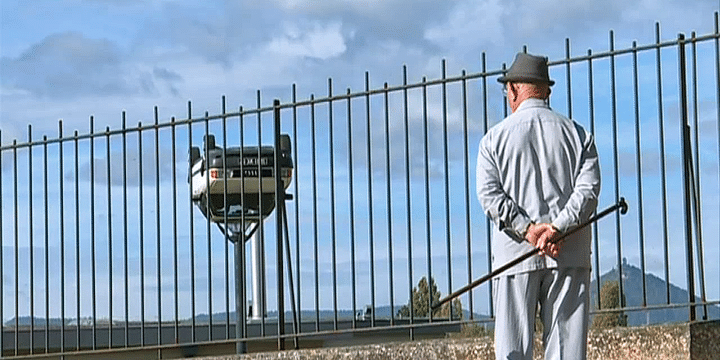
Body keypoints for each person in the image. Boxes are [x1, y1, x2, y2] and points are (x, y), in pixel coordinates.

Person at [476, 52, 601, 360]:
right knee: (567, 351)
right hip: (569, 253)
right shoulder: (579, 135)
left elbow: (490, 195)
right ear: (547, 90)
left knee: (513, 350)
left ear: (514, 90)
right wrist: (558, 228)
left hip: (515, 257)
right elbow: (588, 192)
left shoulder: (494, 140)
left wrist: (529, 231)